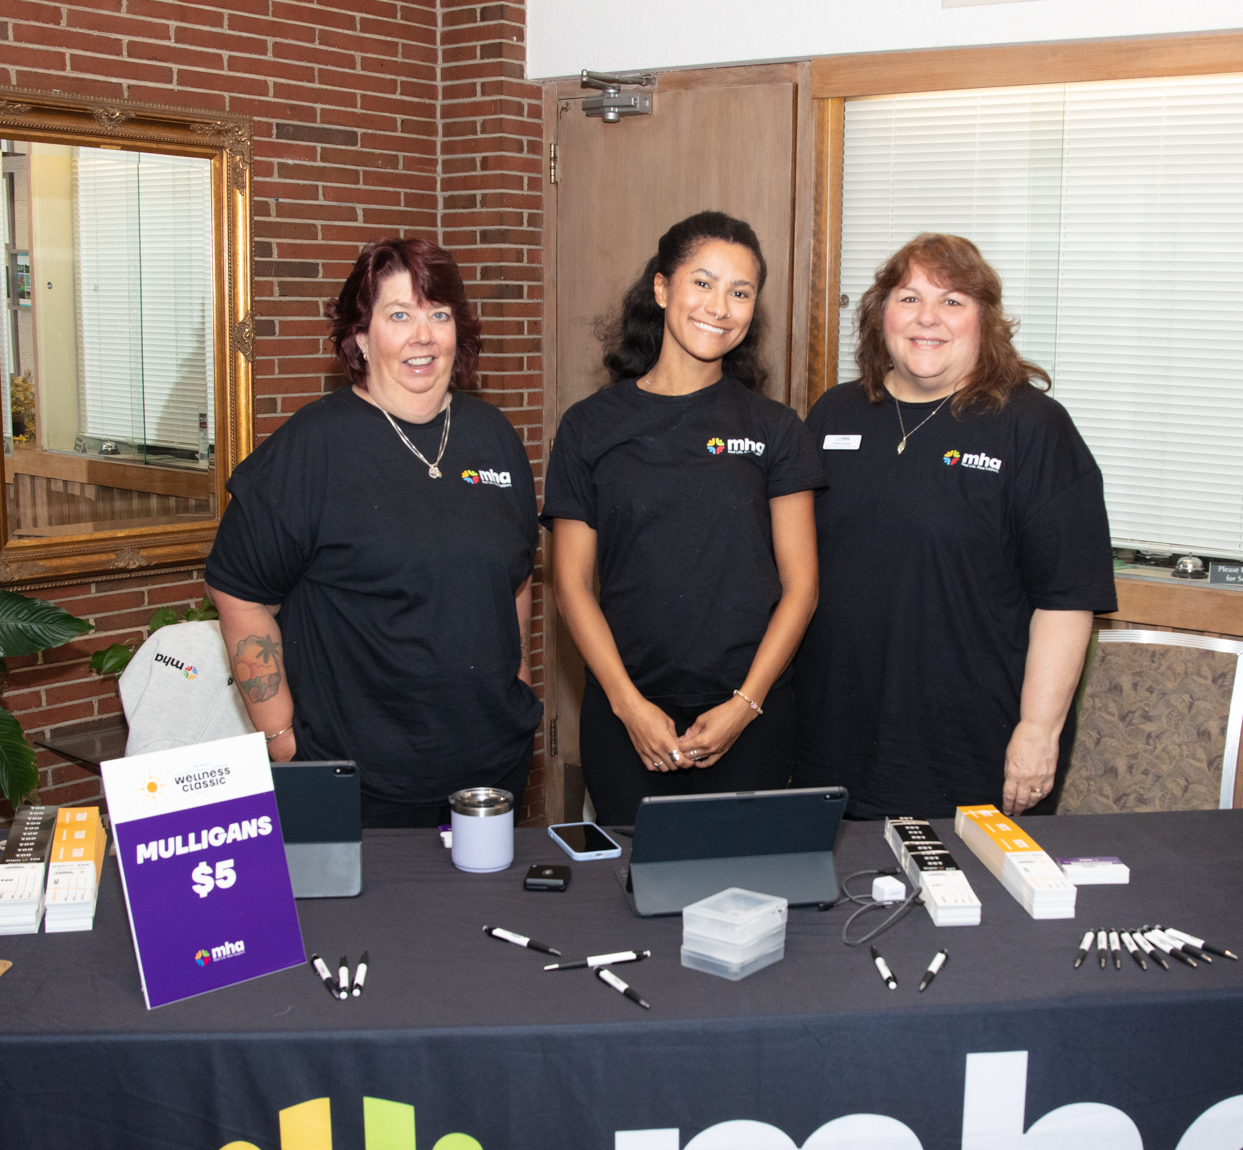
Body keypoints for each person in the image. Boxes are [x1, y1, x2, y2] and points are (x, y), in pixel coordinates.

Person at [204, 238, 541, 826]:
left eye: (439, 314)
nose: (423, 335)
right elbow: (239, 590)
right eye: (399, 315)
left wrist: (518, 683)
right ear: (360, 337)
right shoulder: (312, 448)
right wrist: (282, 737)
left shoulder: (493, 437)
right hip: (359, 788)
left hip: (491, 776)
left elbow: (513, 580)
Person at [795, 232, 1116, 821]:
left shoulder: (1033, 429)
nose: (927, 318)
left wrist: (1039, 732)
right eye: (908, 297)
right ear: (879, 313)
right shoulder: (833, 414)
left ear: (985, 321)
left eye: (952, 301)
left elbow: (1067, 599)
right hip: (833, 739)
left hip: (972, 747)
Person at [545, 211, 823, 825]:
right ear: (663, 288)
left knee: (746, 901)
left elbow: (801, 588)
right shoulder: (590, 426)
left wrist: (745, 706)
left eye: (740, 292)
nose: (720, 306)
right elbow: (569, 585)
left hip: (750, 717)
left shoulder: (774, 429)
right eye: (703, 282)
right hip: (627, 716)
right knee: (630, 899)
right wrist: (627, 704)